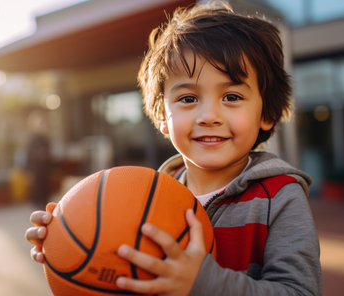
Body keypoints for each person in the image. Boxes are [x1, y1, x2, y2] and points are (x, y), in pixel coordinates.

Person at [25, 2, 321, 295]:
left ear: (266, 113)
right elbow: (117, 267)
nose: (209, 116)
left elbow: (300, 291)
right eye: (188, 99)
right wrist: (67, 243)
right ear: (162, 118)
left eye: (231, 96)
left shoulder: (279, 197)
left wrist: (203, 283)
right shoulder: (145, 196)